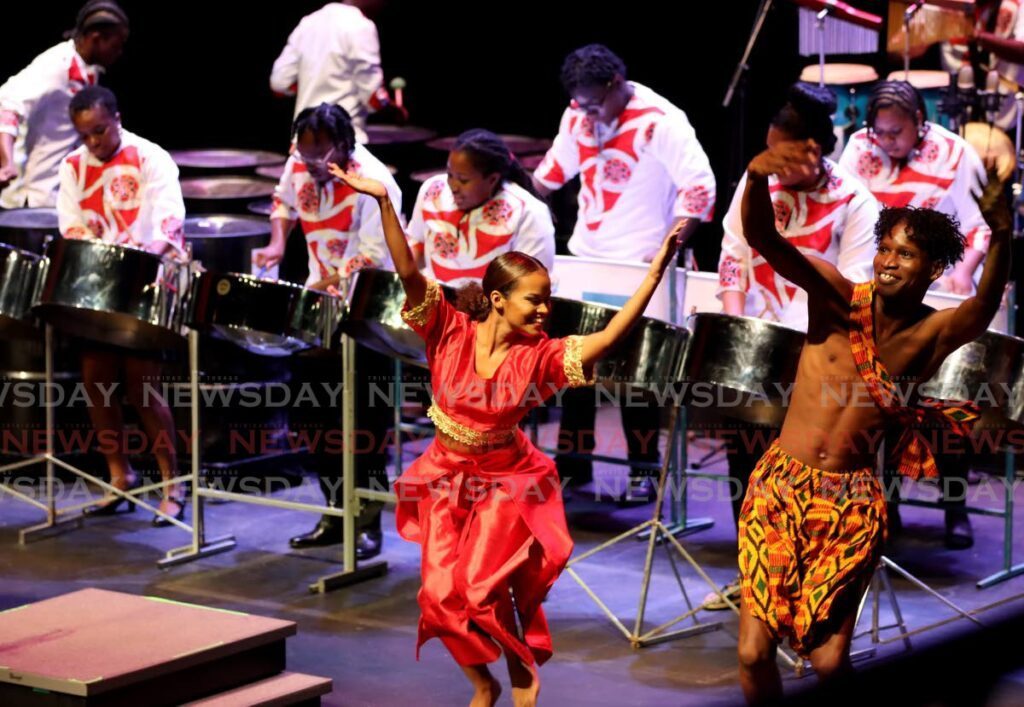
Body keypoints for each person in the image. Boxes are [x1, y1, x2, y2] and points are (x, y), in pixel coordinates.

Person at [329, 160, 685, 707]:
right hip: (446, 477)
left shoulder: (540, 357)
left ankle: (522, 670)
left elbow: (610, 337)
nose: (545, 309)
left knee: (479, 587)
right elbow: (406, 270)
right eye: (534, 300)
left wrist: (658, 267)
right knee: (439, 597)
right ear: (498, 300)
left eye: (546, 299)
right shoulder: (445, 328)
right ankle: (483, 683)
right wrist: (383, 202)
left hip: (506, 480)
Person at [733, 136, 1009, 703]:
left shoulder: (932, 335)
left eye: (905, 255)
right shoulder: (834, 295)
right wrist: (756, 177)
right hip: (779, 487)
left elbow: (982, 307)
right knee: (752, 653)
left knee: (830, 661)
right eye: (885, 249)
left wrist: (1004, 233)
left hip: (852, 502)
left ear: (933, 268)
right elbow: (764, 238)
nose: (887, 262)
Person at [705, 82, 878, 610]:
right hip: (756, 349)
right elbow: (733, 254)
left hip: (818, 358)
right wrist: (738, 330)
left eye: (780, 154)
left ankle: (810, 585)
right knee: (747, 468)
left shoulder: (855, 200)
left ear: (811, 149)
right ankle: (755, 579)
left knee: (807, 472)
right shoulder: (756, 183)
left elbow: (851, 284)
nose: (769, 163)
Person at [532, 43, 716, 500]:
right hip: (587, 256)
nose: (587, 112)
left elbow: (700, 189)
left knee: (637, 374)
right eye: (580, 103)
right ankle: (572, 467)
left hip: (639, 263)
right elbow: (551, 174)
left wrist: (665, 256)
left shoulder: (661, 121)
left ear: (615, 85)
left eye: (594, 102)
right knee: (574, 366)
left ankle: (643, 470)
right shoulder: (578, 114)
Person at [840, 80, 992, 549]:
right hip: (883, 292)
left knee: (944, 410)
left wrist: (963, 273)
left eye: (897, 132)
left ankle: (954, 507)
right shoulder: (857, 149)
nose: (886, 141)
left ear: (919, 123)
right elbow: (846, 215)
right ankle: (885, 507)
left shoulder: (954, 152)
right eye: (879, 131)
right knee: (880, 404)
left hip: (940, 291)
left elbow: (980, 224)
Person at [252, 102, 401, 559]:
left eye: (320, 157)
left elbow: (376, 255)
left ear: (343, 146)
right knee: (311, 418)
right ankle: (336, 511)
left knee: (362, 424)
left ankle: (368, 521)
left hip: (366, 310)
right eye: (304, 154)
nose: (310, 165)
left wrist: (329, 280)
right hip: (320, 307)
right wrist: (278, 241)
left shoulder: (374, 182)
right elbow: (283, 201)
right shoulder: (298, 163)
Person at [55, 85, 187, 525]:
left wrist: (137, 261)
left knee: (142, 387)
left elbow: (169, 221)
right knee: (96, 382)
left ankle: (173, 483)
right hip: (97, 286)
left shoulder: (151, 157)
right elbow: (71, 224)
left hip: (144, 283)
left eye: (99, 131)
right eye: (84, 135)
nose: (93, 142)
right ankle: (120, 476)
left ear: (116, 118)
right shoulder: (72, 166)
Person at [0, 0, 129, 208]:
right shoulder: (55, 66)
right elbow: (8, 108)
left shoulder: (88, 70)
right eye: (116, 45)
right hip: (31, 198)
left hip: (57, 192)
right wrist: (6, 163)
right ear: (96, 38)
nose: (119, 52)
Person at [408, 129, 555, 287]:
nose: (453, 186)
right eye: (450, 175)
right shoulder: (432, 191)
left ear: (492, 179)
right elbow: (418, 246)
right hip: (435, 303)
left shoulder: (529, 212)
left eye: (463, 180)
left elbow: (531, 287)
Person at [270, 0, 400, 145]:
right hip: (342, 146)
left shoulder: (307, 23)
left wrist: (311, 82)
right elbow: (373, 97)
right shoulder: (361, 26)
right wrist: (392, 109)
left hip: (303, 145)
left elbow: (279, 83)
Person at [941, 0, 1024, 133]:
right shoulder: (966, 5)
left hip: (1005, 111)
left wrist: (978, 36)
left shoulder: (1019, 5)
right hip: (966, 108)